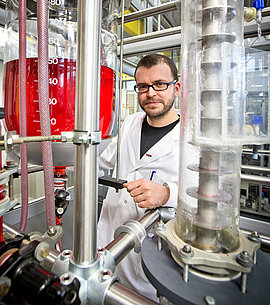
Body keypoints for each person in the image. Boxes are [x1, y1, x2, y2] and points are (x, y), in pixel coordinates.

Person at [97, 53, 181, 302]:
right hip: (108, 243)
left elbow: (208, 198)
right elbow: (102, 159)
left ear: (175, 87)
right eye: (143, 86)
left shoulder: (191, 138)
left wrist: (166, 194)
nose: (151, 93)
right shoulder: (131, 122)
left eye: (160, 84)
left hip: (152, 256)